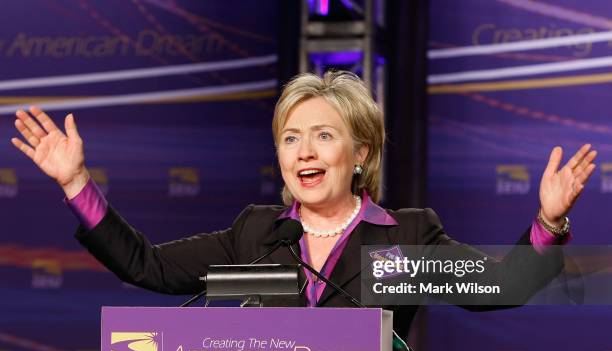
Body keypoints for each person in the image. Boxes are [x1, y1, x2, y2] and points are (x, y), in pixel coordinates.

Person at [10, 71, 597, 337]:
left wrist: (548, 220)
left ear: (360, 152)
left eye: (324, 135)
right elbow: (149, 267)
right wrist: (75, 183)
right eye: (291, 138)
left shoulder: (404, 238)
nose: (304, 151)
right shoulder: (258, 233)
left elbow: (502, 287)